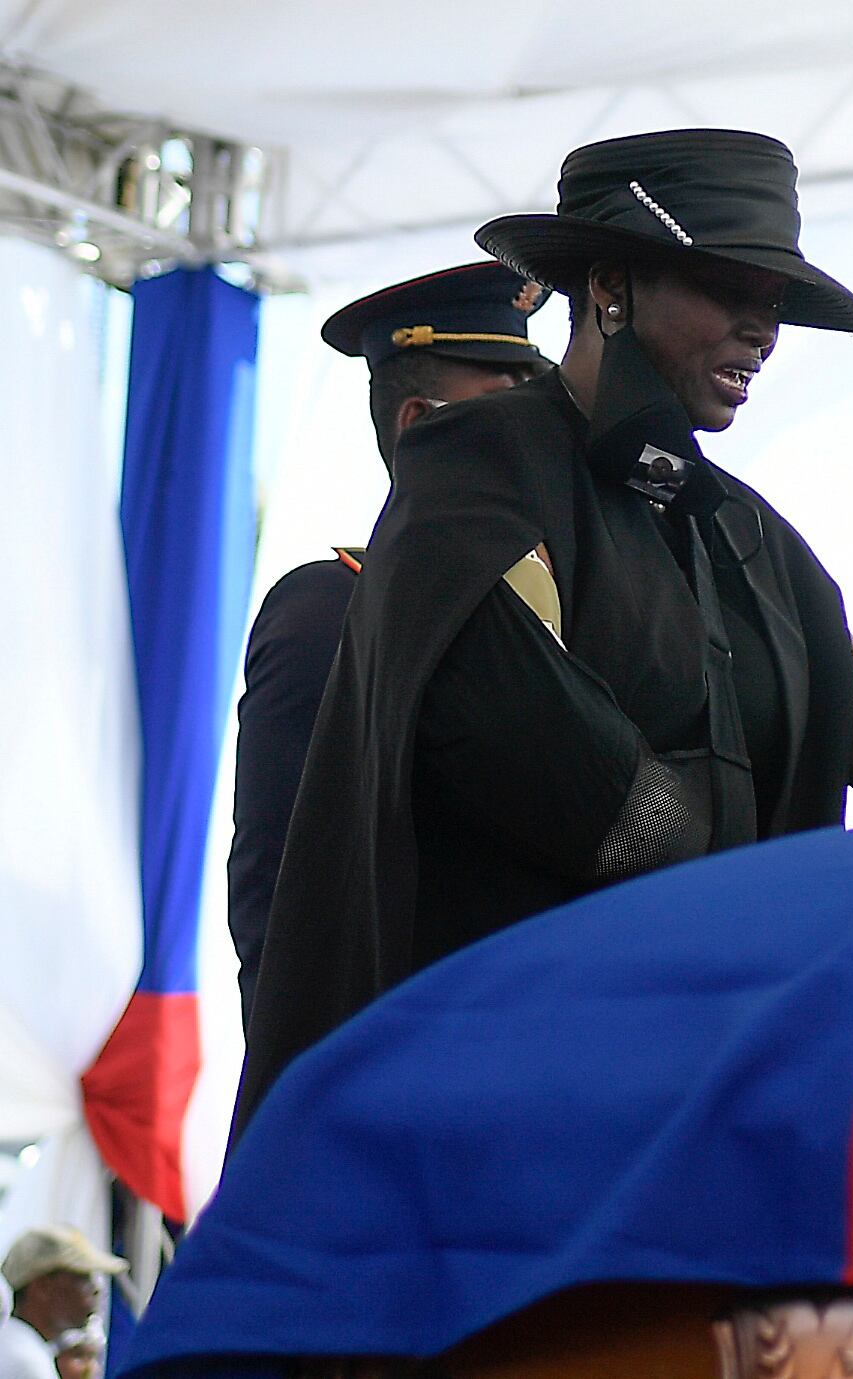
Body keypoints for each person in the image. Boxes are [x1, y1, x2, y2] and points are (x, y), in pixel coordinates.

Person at [233, 129, 853, 1134]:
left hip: (699, 1103)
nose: (763, 330)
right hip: (504, 1120)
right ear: (610, 287)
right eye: (730, 288)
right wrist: (813, 923)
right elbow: (611, 809)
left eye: (775, 302)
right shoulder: (477, 473)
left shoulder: (746, 537)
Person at [225, 263, 551, 1027]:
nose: (539, 435)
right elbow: (280, 890)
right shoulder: (332, 611)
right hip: (397, 1054)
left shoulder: (558, 605)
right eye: (507, 402)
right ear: (418, 423)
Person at [0, 1228, 123, 1379]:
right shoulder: (29, 1362)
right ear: (43, 1287)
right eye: (83, 1278)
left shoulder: (13, 1341)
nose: (96, 1289)